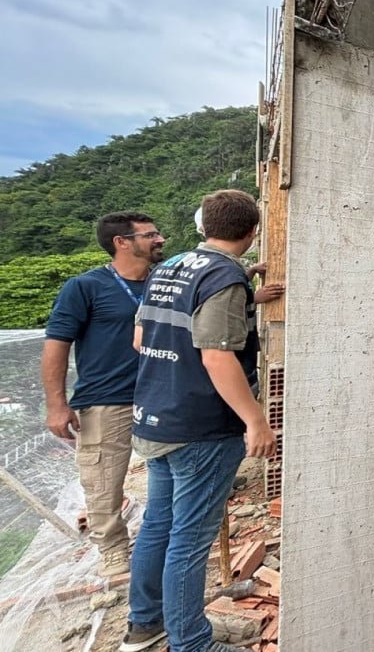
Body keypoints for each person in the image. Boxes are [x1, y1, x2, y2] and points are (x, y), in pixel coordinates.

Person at [122, 190, 276, 652]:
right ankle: (191, 643)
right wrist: (255, 419)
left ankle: (145, 624)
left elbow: (139, 340)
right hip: (201, 426)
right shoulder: (224, 277)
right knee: (189, 540)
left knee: (159, 525)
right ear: (253, 232)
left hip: (156, 415)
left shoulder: (168, 269)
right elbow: (216, 356)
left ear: (204, 226)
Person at [41, 212, 166, 577]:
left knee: (170, 467)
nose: (159, 239)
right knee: (103, 478)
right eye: (150, 235)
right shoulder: (85, 287)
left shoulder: (164, 281)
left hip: (161, 392)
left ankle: (166, 541)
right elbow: (56, 346)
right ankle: (113, 550)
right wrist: (56, 404)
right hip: (107, 398)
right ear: (121, 242)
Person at [193, 206, 283, 305]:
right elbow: (221, 306)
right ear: (252, 232)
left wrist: (252, 270)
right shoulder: (222, 268)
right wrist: (254, 299)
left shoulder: (196, 260)